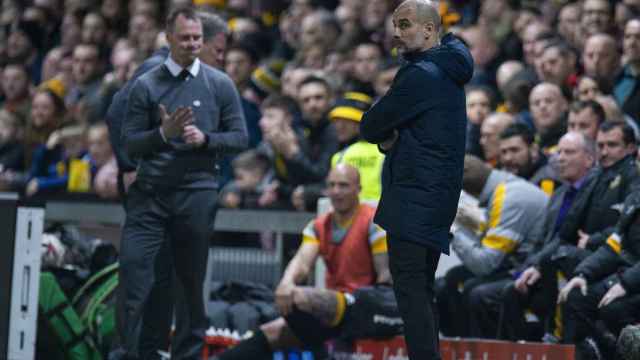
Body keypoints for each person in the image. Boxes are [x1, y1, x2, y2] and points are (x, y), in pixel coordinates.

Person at [120, 6, 247, 359]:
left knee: (190, 283)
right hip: (150, 193)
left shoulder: (220, 83)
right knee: (134, 273)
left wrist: (205, 139)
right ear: (169, 38)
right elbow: (129, 143)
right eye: (185, 38)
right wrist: (163, 133)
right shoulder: (147, 83)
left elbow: (239, 137)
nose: (192, 44)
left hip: (197, 192)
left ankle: (187, 355)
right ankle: (129, 352)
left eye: (197, 38)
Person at [359, 0, 473, 358]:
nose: (397, 33)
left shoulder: (421, 74)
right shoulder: (449, 68)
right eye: (395, 25)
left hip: (413, 199)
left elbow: (370, 124)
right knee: (420, 291)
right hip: (435, 199)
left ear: (429, 29)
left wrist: (390, 136)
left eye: (405, 24)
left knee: (411, 293)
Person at [216, 164, 394, 360]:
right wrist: (286, 284)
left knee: (302, 299)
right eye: (332, 185)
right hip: (333, 309)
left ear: (358, 189)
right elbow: (301, 262)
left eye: (343, 185)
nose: (336, 191)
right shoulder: (318, 226)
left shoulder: (373, 222)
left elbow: (385, 279)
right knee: (271, 331)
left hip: (365, 307)